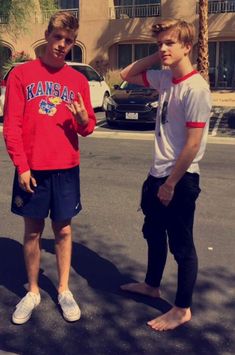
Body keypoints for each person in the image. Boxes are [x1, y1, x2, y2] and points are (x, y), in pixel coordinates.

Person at [3, 11, 96, 324]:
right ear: (47, 35)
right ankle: (32, 291)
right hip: (32, 169)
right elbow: (12, 125)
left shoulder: (78, 81)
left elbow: (88, 128)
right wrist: (22, 166)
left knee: (64, 230)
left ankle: (63, 289)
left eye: (68, 41)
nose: (62, 45)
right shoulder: (21, 75)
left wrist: (84, 118)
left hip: (66, 167)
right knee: (32, 231)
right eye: (58, 37)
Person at [120, 19, 211, 331]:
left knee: (182, 246)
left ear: (187, 46)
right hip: (157, 174)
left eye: (170, 43)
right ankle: (151, 285)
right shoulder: (165, 79)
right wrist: (156, 54)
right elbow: (126, 74)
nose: (163, 48)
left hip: (180, 180)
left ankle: (182, 308)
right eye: (160, 43)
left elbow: (193, 143)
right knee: (153, 233)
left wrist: (171, 184)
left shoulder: (196, 89)